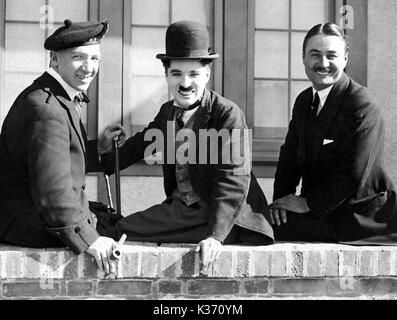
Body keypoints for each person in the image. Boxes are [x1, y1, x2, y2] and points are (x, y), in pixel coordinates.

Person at [96, 20, 274, 270]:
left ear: (208, 75)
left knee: (122, 228)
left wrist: (215, 237)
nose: (185, 83)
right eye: (177, 73)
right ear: (166, 74)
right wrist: (103, 158)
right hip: (184, 209)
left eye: (194, 74)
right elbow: (141, 145)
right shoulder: (168, 112)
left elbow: (234, 179)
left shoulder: (228, 114)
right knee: (122, 225)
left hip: (222, 218)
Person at [0, 19, 126, 273]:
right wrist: (89, 240)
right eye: (79, 57)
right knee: (121, 229)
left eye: (95, 59)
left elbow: (53, 157)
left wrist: (97, 149)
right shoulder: (46, 107)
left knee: (119, 223)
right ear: (55, 60)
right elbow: (52, 189)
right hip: (32, 225)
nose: (88, 68)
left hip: (34, 217)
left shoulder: (54, 95)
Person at [270, 23, 397, 243]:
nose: (323, 63)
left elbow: (354, 171)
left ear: (345, 60)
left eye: (332, 56)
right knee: (266, 223)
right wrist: (280, 204)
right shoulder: (304, 101)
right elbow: (289, 158)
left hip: (362, 214)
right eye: (315, 55)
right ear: (303, 58)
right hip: (321, 209)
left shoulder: (360, 103)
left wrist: (307, 204)